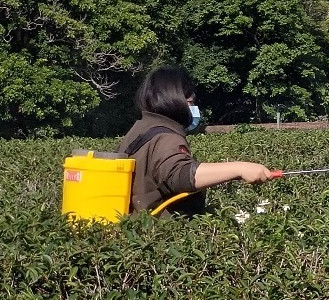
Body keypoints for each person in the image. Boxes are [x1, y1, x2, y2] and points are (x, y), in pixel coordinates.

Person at [116, 66, 273, 217]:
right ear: (175, 100)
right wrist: (241, 168)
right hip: (156, 233)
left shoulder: (141, 129)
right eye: (191, 102)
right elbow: (181, 175)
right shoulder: (166, 137)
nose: (194, 107)